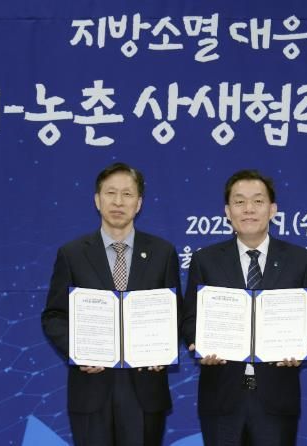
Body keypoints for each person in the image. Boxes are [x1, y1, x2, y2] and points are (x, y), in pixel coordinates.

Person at [181, 169, 307, 445]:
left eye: (258, 201)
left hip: (276, 395)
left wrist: (304, 344)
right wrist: (197, 344)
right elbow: (190, 318)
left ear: (273, 210)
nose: (248, 209)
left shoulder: (301, 261)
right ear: (228, 211)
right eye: (239, 201)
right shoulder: (205, 261)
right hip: (221, 395)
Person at [41, 162, 181, 446]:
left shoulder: (162, 252)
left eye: (127, 194)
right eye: (110, 193)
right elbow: (54, 315)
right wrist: (78, 350)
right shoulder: (72, 254)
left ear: (138, 203)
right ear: (97, 200)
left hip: (145, 388)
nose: (118, 202)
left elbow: (176, 312)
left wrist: (164, 348)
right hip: (91, 388)